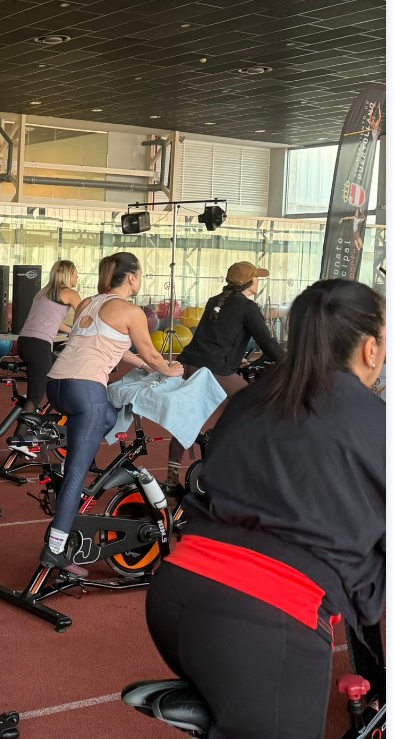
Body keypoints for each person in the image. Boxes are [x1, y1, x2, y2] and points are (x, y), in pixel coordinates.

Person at [145, 279, 385, 738]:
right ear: (371, 349)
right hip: (263, 620)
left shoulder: (251, 400)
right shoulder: (375, 422)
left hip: (175, 592)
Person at [43, 252, 182, 575]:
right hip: (86, 390)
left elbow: (121, 349)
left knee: (108, 417)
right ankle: (55, 550)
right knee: (78, 474)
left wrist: (148, 366)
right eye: (141, 275)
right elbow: (148, 351)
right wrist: (168, 369)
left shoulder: (89, 302)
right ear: (131, 277)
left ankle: (75, 456)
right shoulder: (131, 311)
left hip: (58, 384)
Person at [162, 261, 286, 495]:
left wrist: (238, 360)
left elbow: (216, 336)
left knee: (187, 420)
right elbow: (267, 343)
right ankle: (223, 447)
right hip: (213, 368)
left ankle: (170, 478)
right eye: (257, 278)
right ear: (249, 282)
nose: (259, 281)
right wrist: (292, 364)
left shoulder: (215, 301)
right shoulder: (248, 307)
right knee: (252, 403)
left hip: (190, 362)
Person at [16, 259, 81, 412]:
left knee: (62, 368)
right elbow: (86, 318)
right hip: (39, 346)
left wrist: (71, 331)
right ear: (68, 274)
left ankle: (45, 417)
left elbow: (54, 321)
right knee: (35, 395)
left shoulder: (43, 292)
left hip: (24, 343)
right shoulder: (70, 293)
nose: (77, 278)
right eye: (75, 274)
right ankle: (21, 434)